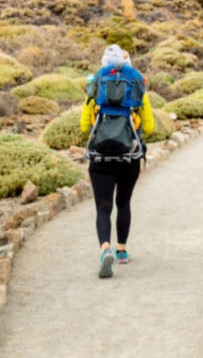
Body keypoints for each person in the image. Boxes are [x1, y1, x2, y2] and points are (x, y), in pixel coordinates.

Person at [80, 44, 155, 278]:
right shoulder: (137, 90)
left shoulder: (95, 89)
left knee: (103, 207)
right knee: (124, 202)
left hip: (100, 157)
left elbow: (84, 127)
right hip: (128, 157)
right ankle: (122, 250)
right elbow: (150, 127)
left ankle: (105, 249)